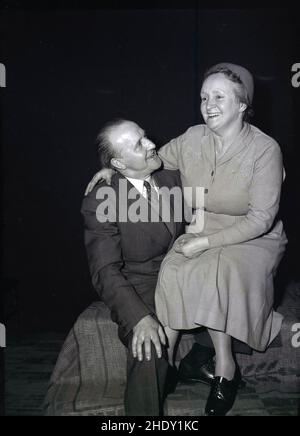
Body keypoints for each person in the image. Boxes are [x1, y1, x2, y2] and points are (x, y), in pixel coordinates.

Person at [88, 63, 287, 416]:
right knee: (175, 269)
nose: (208, 104)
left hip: (255, 236)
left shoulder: (265, 150)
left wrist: (206, 243)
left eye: (218, 97)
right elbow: (151, 159)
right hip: (202, 227)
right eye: (203, 97)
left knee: (212, 268)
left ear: (242, 104)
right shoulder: (193, 137)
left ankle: (226, 367)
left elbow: (261, 218)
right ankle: (170, 364)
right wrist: (110, 168)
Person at [81, 119, 187, 416]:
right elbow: (104, 270)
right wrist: (139, 318)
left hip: (182, 271)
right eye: (139, 144)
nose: (152, 144)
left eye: (145, 136)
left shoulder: (171, 175)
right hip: (140, 283)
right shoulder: (101, 198)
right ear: (118, 162)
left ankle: (195, 363)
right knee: (149, 348)